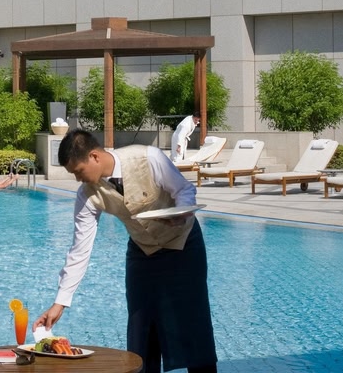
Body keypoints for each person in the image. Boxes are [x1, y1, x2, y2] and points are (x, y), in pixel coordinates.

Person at [34, 129, 217, 373]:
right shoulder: (87, 195)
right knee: (141, 327)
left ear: (94, 156)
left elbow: (184, 189)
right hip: (142, 253)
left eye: (79, 171)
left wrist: (181, 213)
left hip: (183, 244)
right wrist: (60, 303)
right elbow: (79, 249)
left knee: (193, 322)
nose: (78, 179)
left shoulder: (149, 157)